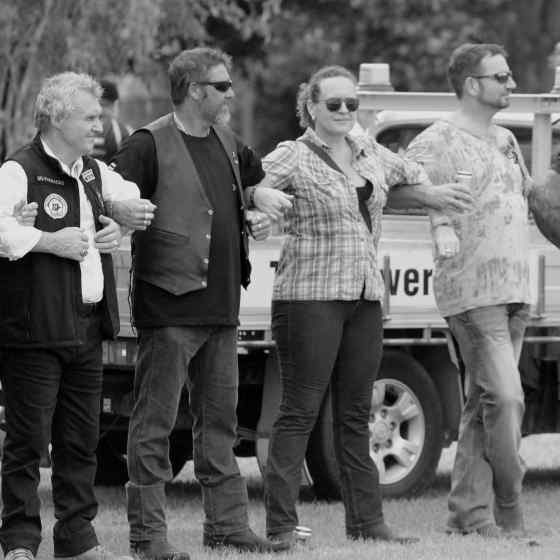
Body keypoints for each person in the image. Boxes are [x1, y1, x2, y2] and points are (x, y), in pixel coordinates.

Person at [244, 64, 474, 547]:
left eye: (352, 104)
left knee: (356, 414)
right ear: (311, 108)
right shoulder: (294, 155)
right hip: (309, 297)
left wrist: (434, 193)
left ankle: (368, 524)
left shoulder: (369, 150)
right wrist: (257, 197)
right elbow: (245, 184)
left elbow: (410, 174)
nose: (346, 111)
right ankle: (281, 526)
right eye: (335, 104)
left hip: (366, 297)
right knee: (300, 412)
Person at [111, 47, 290, 560]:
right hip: (168, 309)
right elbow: (107, 191)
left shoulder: (229, 141)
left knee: (221, 424)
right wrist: (120, 209)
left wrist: (261, 200)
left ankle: (227, 528)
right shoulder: (147, 144)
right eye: (222, 85)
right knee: (154, 427)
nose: (232, 92)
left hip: (220, 309)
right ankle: (148, 538)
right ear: (194, 90)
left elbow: (255, 182)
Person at [0, 72, 154, 560]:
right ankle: (20, 541)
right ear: (58, 118)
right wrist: (49, 240)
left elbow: (133, 197)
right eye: (89, 117)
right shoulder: (18, 170)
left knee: (80, 440)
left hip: (87, 326)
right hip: (33, 329)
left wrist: (119, 218)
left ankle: (76, 537)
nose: (99, 124)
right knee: (26, 443)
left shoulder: (91, 171)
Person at [405, 43, 533, 538]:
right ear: (473, 85)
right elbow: (392, 185)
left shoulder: (505, 140)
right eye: (501, 77)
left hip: (515, 289)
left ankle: (468, 516)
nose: (512, 84)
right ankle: (510, 509)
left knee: (484, 408)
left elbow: (526, 199)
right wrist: (433, 201)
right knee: (507, 398)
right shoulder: (436, 140)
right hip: (471, 292)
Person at [91, 79, 132, 163]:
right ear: (115, 104)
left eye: (104, 105)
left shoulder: (80, 129)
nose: (101, 111)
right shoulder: (124, 132)